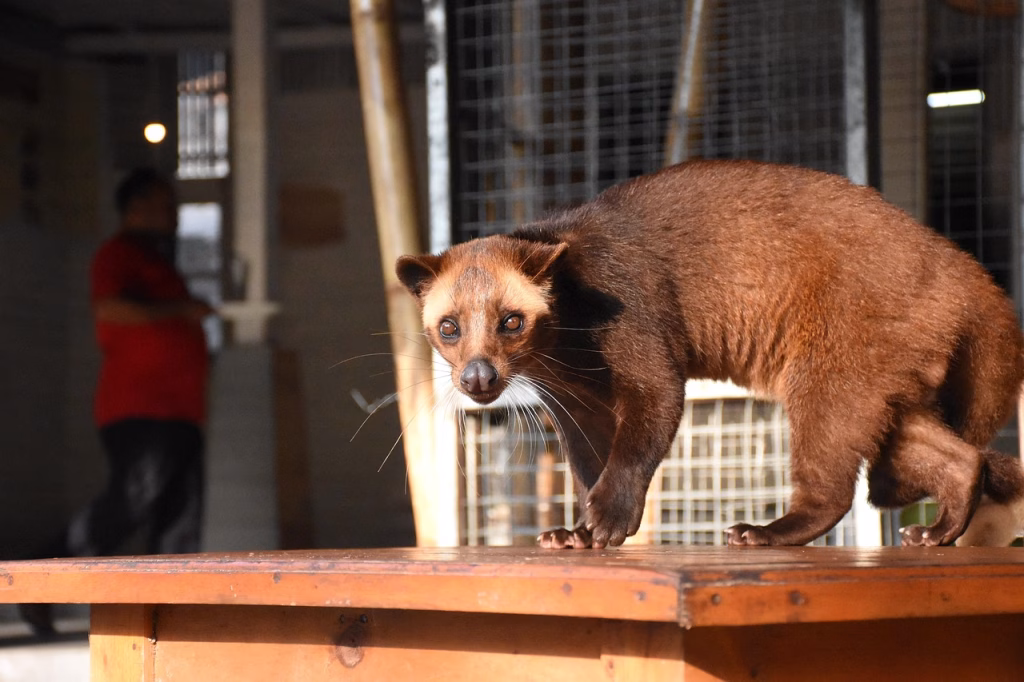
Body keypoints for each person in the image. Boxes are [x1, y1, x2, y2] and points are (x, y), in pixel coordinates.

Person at [20, 168, 214, 635]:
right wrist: (183, 311)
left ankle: (175, 623)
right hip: (141, 408)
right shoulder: (118, 254)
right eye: (166, 203)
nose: (173, 214)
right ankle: (37, 580)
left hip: (182, 411)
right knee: (131, 501)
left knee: (179, 518)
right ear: (137, 206)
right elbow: (111, 309)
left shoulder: (160, 264)